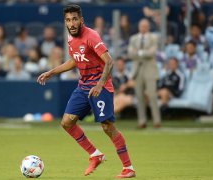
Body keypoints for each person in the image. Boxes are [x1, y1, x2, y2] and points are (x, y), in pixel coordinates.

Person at [37, 4, 135, 178]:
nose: (72, 23)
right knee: (66, 122)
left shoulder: (91, 36)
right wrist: (52, 72)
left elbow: (109, 61)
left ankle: (128, 168)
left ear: (81, 20)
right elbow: (74, 60)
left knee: (107, 127)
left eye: (75, 19)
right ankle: (95, 154)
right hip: (83, 86)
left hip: (100, 85)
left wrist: (100, 84)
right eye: (68, 20)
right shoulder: (70, 37)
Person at [128, 18, 161, 129]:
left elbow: (153, 52)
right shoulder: (134, 38)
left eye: (145, 26)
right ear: (139, 27)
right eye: (142, 26)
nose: (143, 28)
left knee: (152, 95)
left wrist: (140, 53)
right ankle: (142, 121)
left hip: (150, 70)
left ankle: (157, 121)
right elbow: (130, 53)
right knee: (139, 97)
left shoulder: (154, 37)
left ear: (148, 27)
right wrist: (142, 54)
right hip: (137, 70)